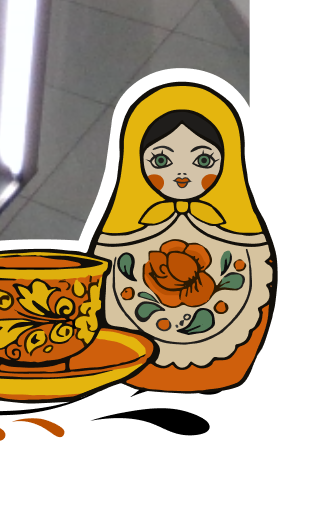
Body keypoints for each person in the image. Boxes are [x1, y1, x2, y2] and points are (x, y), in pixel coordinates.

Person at [91, 82, 275, 392]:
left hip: (226, 366)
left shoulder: (244, 238)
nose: (181, 175)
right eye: (161, 161)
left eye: (202, 161)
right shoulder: (122, 235)